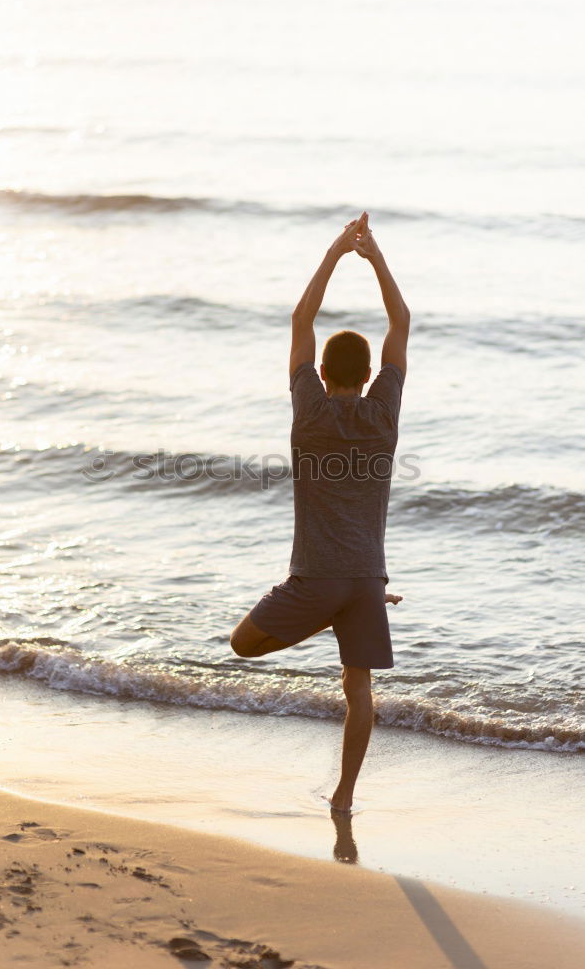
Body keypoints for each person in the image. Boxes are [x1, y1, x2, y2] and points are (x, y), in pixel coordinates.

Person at [230, 211, 410, 813]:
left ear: (324, 373)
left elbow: (301, 319)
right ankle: (343, 797)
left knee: (242, 645)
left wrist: (337, 252)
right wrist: (375, 256)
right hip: (365, 578)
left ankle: (325, 610)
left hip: (319, 579)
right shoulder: (383, 413)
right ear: (368, 375)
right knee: (358, 688)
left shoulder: (308, 409)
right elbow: (401, 323)